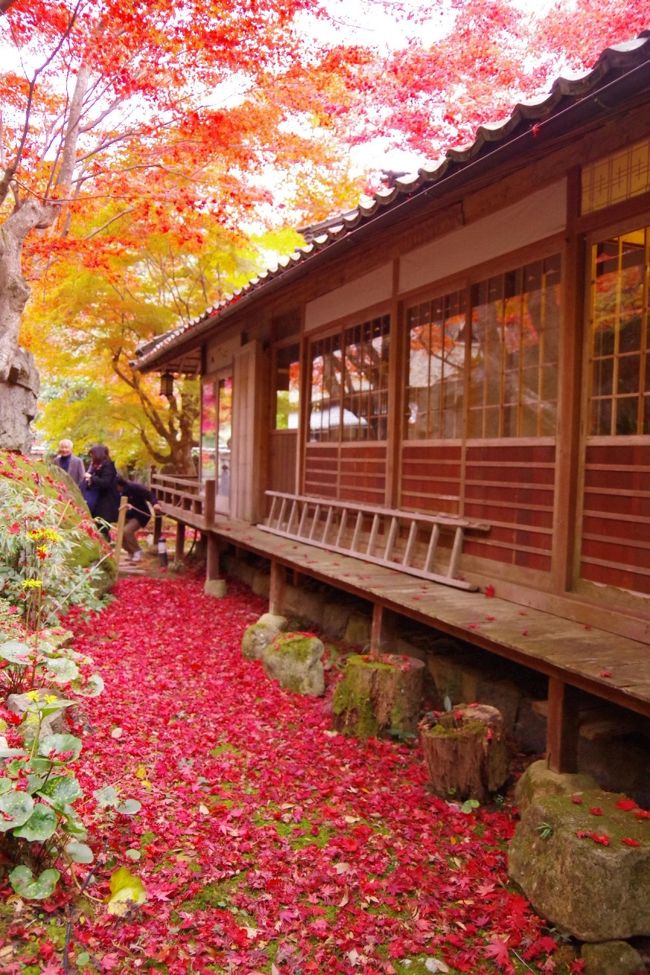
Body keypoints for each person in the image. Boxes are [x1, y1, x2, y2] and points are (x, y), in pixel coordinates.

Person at [115, 475, 159, 562]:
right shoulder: (116, 492)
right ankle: (130, 552)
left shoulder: (134, 487)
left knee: (127, 531)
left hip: (140, 514)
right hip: (127, 515)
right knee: (120, 533)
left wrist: (155, 504)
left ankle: (137, 551)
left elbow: (149, 494)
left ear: (119, 485)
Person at [83, 444, 120, 538]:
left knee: (102, 527)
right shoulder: (96, 466)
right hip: (98, 501)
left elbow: (105, 482)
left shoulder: (108, 466)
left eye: (92, 455)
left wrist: (91, 477)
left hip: (107, 503)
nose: (91, 457)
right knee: (97, 525)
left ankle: (105, 546)